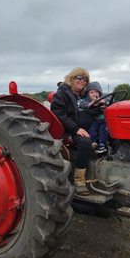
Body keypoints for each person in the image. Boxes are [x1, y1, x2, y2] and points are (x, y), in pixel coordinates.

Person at [51, 67, 92, 196]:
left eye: (85, 79)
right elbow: (58, 114)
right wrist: (76, 129)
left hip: (79, 127)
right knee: (85, 143)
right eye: (79, 78)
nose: (82, 81)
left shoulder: (81, 95)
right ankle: (79, 180)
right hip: (67, 130)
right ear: (71, 78)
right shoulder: (62, 93)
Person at [80, 81, 108, 154]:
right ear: (88, 94)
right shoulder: (87, 100)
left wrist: (104, 102)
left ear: (99, 93)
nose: (94, 94)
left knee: (103, 131)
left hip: (104, 120)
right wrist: (90, 104)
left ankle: (102, 145)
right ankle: (93, 143)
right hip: (95, 120)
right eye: (91, 92)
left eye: (96, 92)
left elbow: (108, 99)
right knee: (92, 131)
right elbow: (82, 104)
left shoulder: (102, 99)